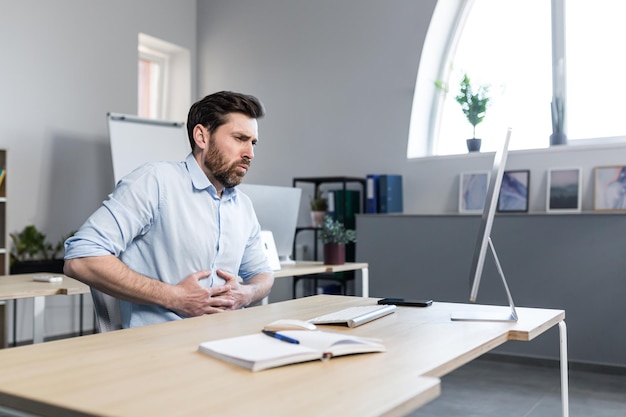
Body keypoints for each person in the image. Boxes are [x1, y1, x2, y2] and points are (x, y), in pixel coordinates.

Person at [64, 91, 275, 328]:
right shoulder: (155, 182)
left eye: (253, 142)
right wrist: (176, 298)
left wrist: (246, 293)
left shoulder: (243, 206)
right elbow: (81, 258)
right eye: (239, 138)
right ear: (201, 137)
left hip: (224, 341)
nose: (250, 153)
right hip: (160, 348)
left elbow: (263, 274)